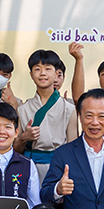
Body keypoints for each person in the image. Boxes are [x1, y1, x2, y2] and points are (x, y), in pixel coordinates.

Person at [14, 49, 78, 180]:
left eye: (48, 69)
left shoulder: (69, 109)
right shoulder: (23, 109)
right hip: (28, 168)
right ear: (31, 75)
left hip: (58, 168)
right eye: (37, 69)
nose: (42, 73)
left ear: (57, 74)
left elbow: (73, 148)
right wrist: (23, 138)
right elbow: (15, 150)